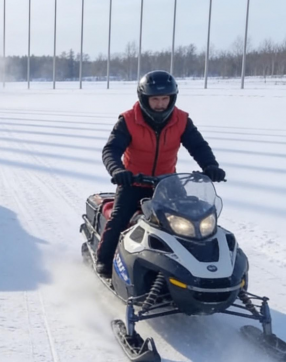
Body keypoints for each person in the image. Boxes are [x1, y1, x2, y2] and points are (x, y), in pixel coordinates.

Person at [95, 70, 226, 278]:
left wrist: (211, 166)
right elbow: (110, 150)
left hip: (167, 183)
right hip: (133, 182)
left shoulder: (181, 120)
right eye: (155, 99)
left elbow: (198, 145)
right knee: (120, 219)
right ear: (144, 98)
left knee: (190, 221)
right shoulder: (128, 120)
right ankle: (104, 261)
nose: (160, 104)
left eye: (165, 98)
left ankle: (192, 268)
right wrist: (118, 171)